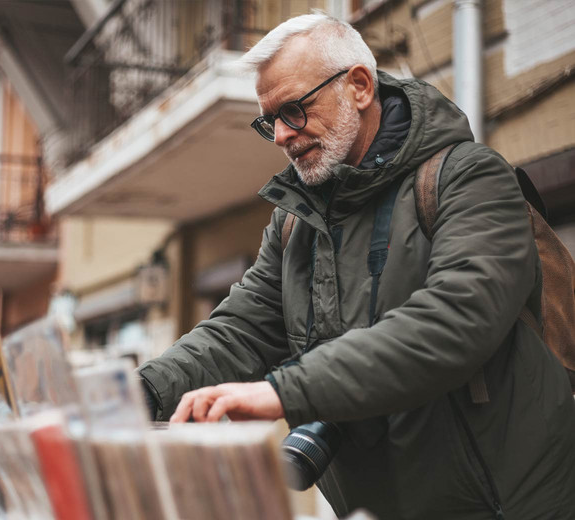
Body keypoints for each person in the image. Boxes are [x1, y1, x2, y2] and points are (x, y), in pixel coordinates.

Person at [137, 12, 575, 519]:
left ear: (360, 86)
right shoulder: (293, 222)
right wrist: (140, 392)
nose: (280, 134)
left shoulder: (470, 177)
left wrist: (282, 391)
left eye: (294, 110)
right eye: (269, 120)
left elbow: (456, 320)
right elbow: (240, 330)